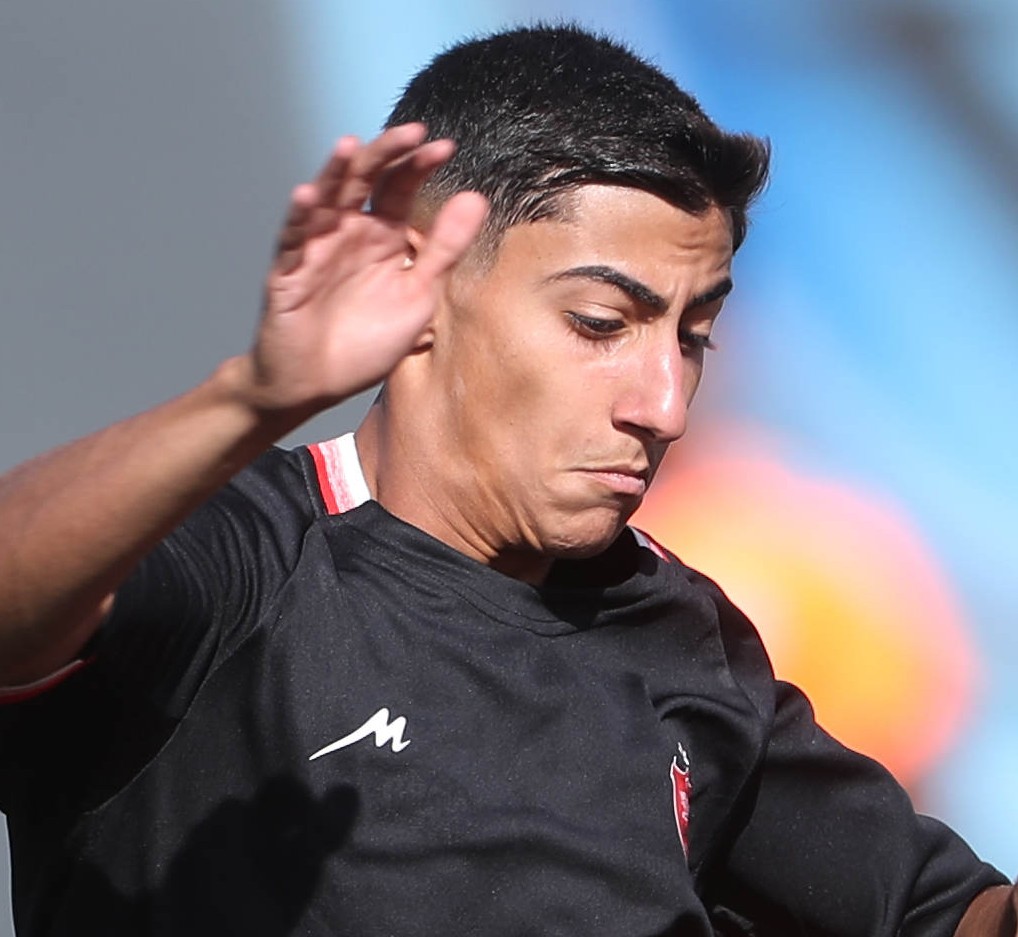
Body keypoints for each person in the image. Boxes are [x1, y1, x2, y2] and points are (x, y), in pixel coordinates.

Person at [0, 22, 1013, 937]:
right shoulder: (238, 555)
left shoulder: (685, 637)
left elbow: (948, 914)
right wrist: (252, 397)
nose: (665, 403)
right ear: (417, 280)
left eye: (693, 335)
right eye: (601, 324)